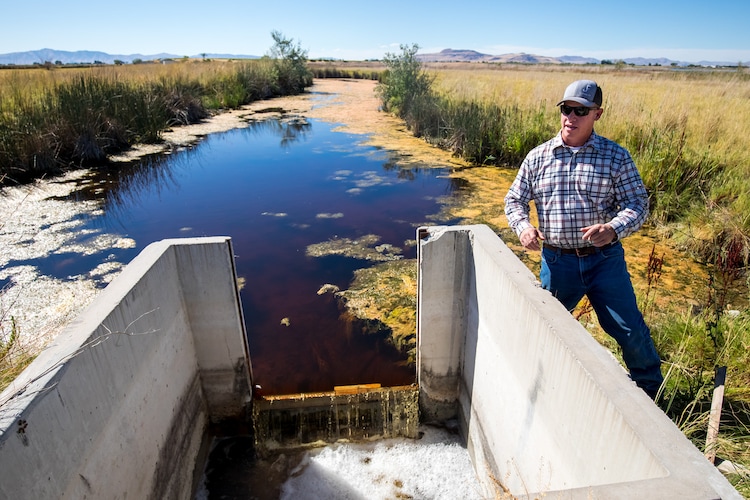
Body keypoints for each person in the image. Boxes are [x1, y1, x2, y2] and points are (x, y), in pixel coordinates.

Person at [504, 79, 663, 399]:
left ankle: (651, 393)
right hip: (557, 262)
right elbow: (514, 200)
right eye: (566, 109)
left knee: (629, 330)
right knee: (546, 330)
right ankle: (538, 388)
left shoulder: (615, 157)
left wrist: (614, 228)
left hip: (605, 262)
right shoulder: (538, 157)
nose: (570, 117)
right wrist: (523, 228)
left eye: (580, 110)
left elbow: (637, 204)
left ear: (597, 114)